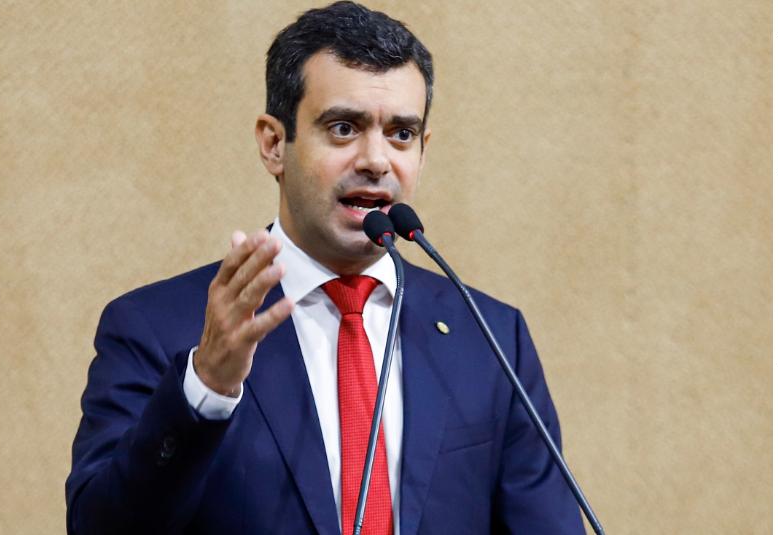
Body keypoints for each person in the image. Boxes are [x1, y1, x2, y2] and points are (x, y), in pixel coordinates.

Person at [66, 2, 585, 533]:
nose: (376, 160)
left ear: (423, 151)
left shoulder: (491, 337)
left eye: (402, 134)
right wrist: (206, 387)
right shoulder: (154, 328)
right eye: (343, 127)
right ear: (274, 144)